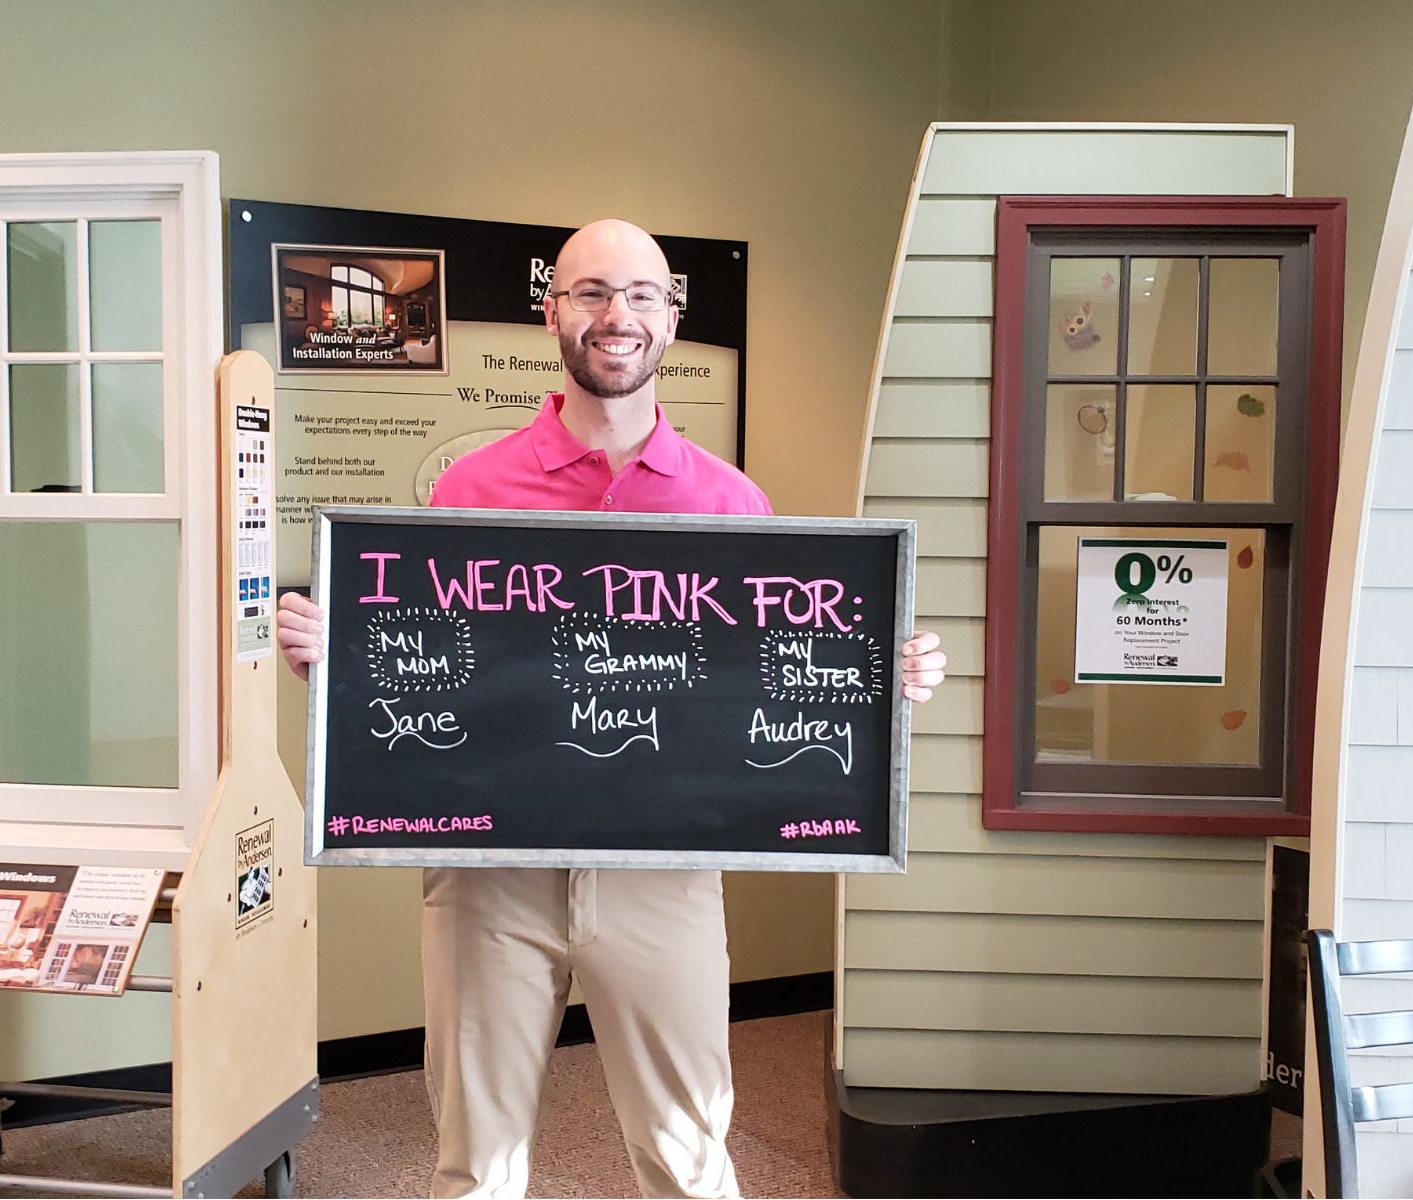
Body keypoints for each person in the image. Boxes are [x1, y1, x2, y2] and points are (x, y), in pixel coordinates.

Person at [278, 219, 947, 1199]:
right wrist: (336, 662)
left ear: (672, 318)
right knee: (478, 1163)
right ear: (550, 309)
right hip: (490, 872)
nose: (616, 315)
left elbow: (769, 674)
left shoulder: (730, 507)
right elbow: (424, 670)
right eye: (591, 292)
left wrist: (883, 671)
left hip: (663, 874)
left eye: (639, 295)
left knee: (687, 1156)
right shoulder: (471, 489)